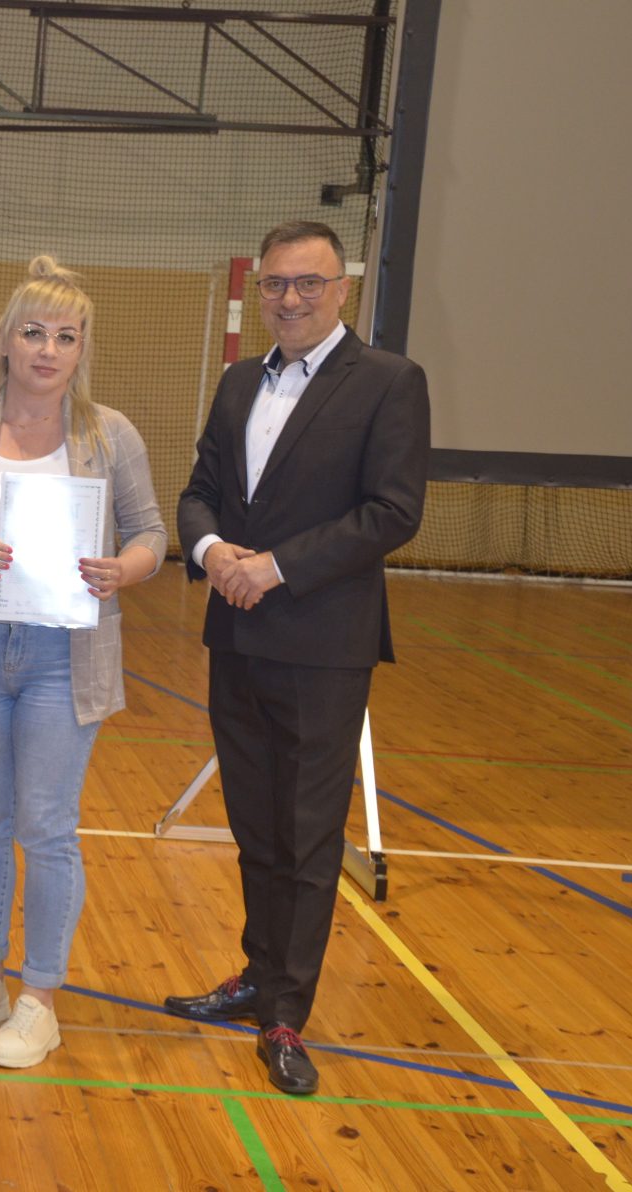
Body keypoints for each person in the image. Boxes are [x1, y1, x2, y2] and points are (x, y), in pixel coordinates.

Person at [167, 220, 429, 1095]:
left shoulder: (389, 381)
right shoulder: (240, 381)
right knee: (256, 827)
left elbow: (392, 512)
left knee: (308, 837)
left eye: (308, 283)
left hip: (323, 646)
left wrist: (274, 568)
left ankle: (286, 1014)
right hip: (237, 637)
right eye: (276, 283)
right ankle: (256, 975)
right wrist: (214, 554)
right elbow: (201, 492)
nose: (289, 298)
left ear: (341, 289)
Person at [0, 256, 165, 1068]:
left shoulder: (110, 435)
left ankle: (40, 998)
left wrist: (124, 570)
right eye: (34, 333)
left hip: (65, 657)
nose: (49, 350)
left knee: (47, 827)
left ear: (82, 349)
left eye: (66, 336)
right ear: (7, 341)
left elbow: (152, 534)